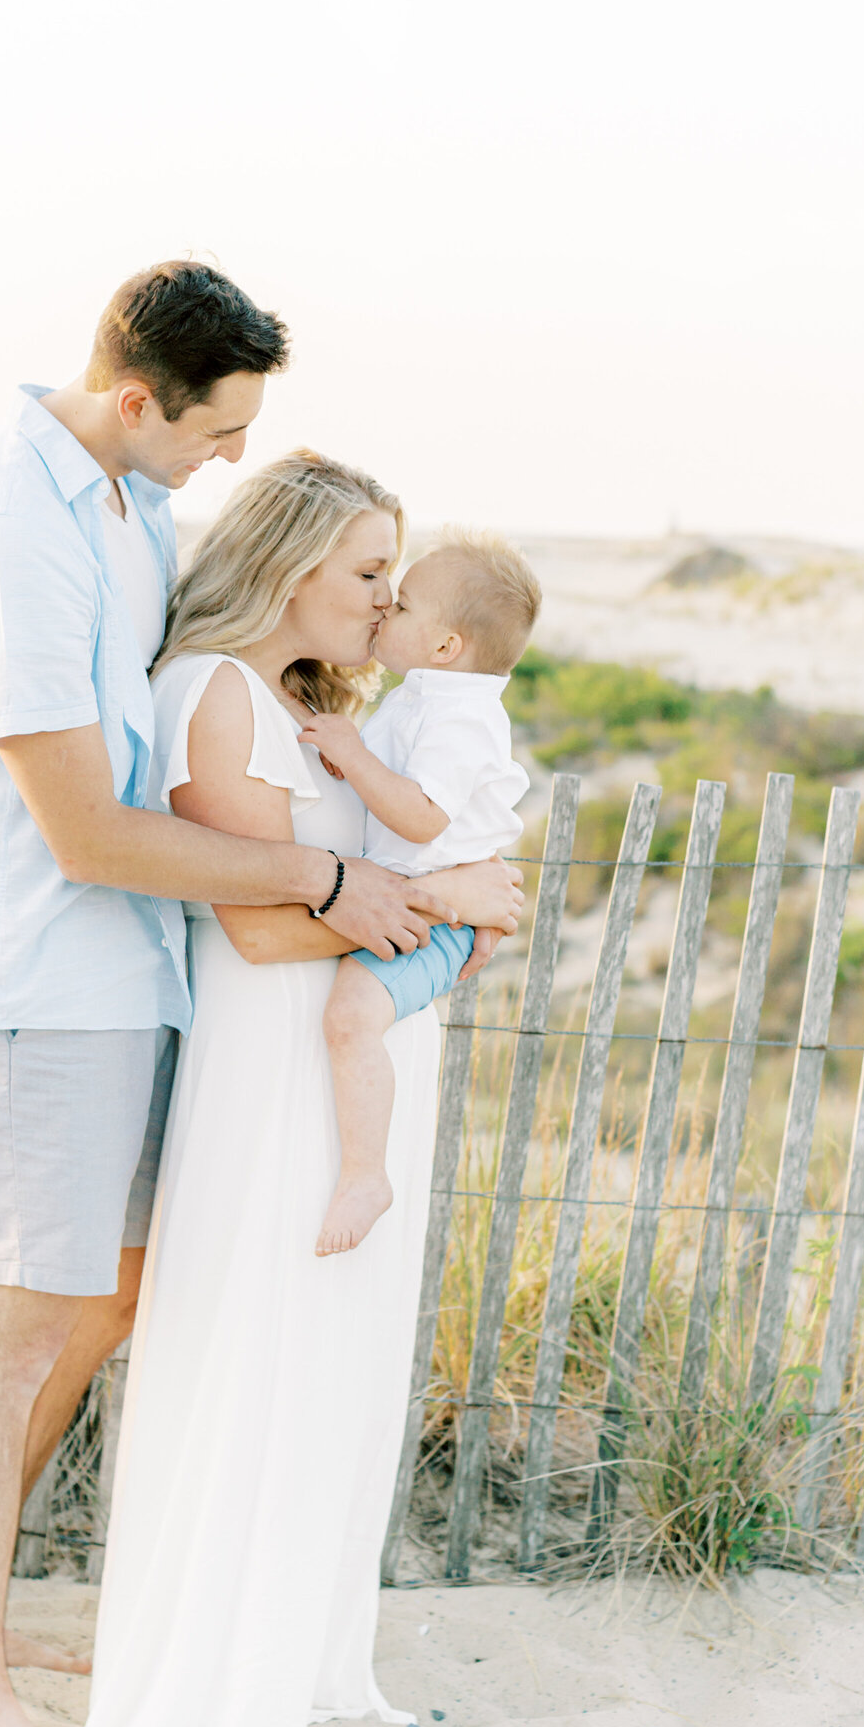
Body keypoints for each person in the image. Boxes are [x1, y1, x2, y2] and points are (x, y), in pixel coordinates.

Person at [0, 264, 522, 1727]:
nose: (227, 462)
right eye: (218, 430)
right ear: (133, 398)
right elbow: (89, 835)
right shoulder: (11, 532)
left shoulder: (122, 512)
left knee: (99, 1303)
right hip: (35, 974)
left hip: (131, 973)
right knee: (23, 1319)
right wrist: (336, 874)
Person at [17, 452, 521, 1727]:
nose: (383, 599)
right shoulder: (213, 696)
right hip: (278, 1062)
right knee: (263, 1346)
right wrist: (440, 897)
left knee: (334, 1360)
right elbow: (250, 922)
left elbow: (383, 878)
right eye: (367, 572)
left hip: (346, 1055)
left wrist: (445, 907)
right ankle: (210, 1674)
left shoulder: (305, 706)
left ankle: (297, 1655)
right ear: (289, 566)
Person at [300, 533, 539, 1253]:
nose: (385, 608)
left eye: (401, 605)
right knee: (350, 1017)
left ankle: (367, 1175)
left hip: (437, 923)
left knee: (349, 1019)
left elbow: (423, 813)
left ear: (444, 645)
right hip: (433, 899)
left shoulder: (459, 716)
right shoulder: (429, 697)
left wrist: (350, 755)